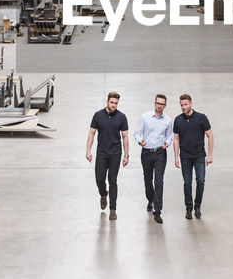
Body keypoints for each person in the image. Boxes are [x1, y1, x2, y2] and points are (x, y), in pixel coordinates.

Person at [85, 91, 129, 220]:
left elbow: (125, 136)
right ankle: (103, 194)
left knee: (112, 180)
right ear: (107, 102)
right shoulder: (98, 115)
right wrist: (88, 150)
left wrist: (126, 155)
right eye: (112, 102)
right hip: (102, 153)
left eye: (116, 103)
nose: (114, 105)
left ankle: (113, 209)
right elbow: (92, 133)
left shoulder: (122, 117)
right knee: (99, 179)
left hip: (115, 153)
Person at [133, 93, 172, 224]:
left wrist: (168, 142)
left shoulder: (168, 121)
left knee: (159, 181)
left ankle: (158, 211)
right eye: (157, 103)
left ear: (165, 106)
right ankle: (150, 199)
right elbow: (137, 133)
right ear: (154, 103)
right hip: (146, 152)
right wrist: (140, 141)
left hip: (160, 153)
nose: (159, 106)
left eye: (162, 104)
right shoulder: (145, 117)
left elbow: (169, 135)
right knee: (148, 180)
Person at [173, 94, 213, 219]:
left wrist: (210, 155)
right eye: (181, 105)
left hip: (199, 156)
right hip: (185, 156)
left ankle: (197, 206)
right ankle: (189, 208)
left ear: (191, 104)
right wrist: (176, 157)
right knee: (187, 183)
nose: (183, 107)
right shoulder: (178, 119)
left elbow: (210, 136)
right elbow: (176, 139)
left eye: (185, 104)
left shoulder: (201, 118)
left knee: (200, 181)